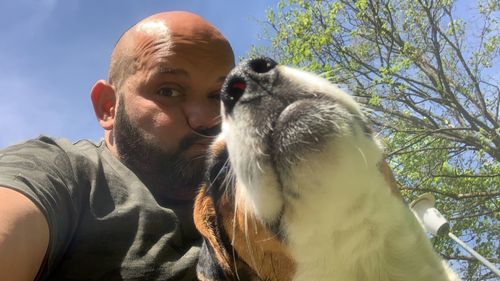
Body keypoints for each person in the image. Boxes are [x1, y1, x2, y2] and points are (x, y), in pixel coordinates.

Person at [0, 11, 235, 281]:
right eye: (168, 91)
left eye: (218, 96)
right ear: (108, 107)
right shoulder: (63, 174)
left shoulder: (254, 190)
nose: (206, 119)